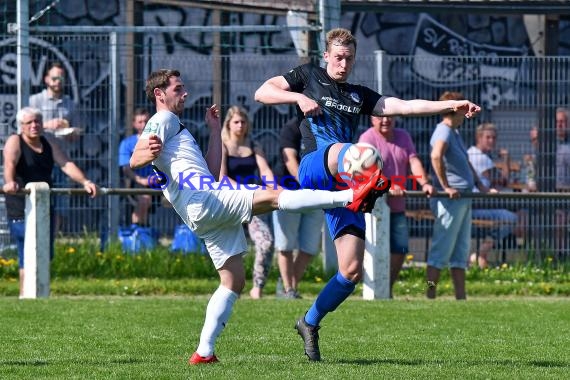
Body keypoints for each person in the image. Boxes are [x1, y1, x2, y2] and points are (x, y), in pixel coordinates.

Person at [129, 69, 385, 365]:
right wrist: (146, 153)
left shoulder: (177, 126)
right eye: (177, 88)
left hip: (201, 209)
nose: (184, 92)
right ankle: (351, 196)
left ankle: (204, 352)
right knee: (274, 197)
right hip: (205, 200)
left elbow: (212, 174)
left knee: (233, 280)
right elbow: (137, 158)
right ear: (159, 94)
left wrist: (214, 131)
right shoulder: (163, 119)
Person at [254, 28, 480, 361]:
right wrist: (298, 97)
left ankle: (309, 321)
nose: (343, 63)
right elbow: (263, 92)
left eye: (349, 58)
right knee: (360, 154)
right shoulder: (308, 76)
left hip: (342, 184)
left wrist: (451, 104)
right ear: (327, 56)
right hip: (316, 165)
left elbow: (404, 106)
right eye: (338, 57)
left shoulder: (359, 95)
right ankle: (369, 185)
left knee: (351, 270)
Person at [2, 107, 98, 297]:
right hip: (20, 206)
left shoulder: (49, 141)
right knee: (28, 251)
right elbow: (9, 164)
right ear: (21, 126)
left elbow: (66, 164)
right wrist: (9, 182)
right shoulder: (15, 141)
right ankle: (25, 293)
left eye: (37, 121)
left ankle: (38, 291)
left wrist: (85, 181)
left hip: (44, 203)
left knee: (45, 252)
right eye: (29, 122)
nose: (34, 125)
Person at [358, 115, 434, 297]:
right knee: (372, 249)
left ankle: (387, 288)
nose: (385, 120)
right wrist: (389, 185)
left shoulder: (403, 136)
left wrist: (424, 183)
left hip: (397, 206)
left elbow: (414, 161)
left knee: (400, 249)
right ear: (371, 119)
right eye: (380, 117)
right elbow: (364, 169)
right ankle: (369, 287)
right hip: (372, 207)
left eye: (389, 116)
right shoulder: (366, 139)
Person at [427, 91, 488, 300]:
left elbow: (465, 161)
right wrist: (446, 186)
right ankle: (429, 294)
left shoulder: (454, 132)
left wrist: (479, 184)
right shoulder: (443, 131)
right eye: (463, 108)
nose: (466, 113)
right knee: (439, 253)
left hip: (463, 198)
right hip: (450, 200)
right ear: (454, 110)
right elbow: (436, 156)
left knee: (460, 253)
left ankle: (461, 298)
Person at [219, 105, 275, 300]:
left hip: (252, 202)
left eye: (243, 121)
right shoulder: (223, 146)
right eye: (236, 122)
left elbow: (265, 171)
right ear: (228, 124)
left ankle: (257, 287)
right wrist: (247, 190)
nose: (240, 125)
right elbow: (222, 178)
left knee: (266, 242)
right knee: (231, 249)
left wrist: (273, 187)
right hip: (230, 202)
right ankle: (231, 286)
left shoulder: (253, 145)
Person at [273, 117, 324, 299]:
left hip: (317, 194)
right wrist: (305, 183)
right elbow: (290, 160)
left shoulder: (325, 127)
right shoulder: (292, 128)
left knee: (309, 248)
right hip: (290, 192)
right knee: (286, 245)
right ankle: (289, 289)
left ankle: (290, 285)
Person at [29, 61, 81, 234]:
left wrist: (72, 132)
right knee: (38, 198)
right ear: (46, 79)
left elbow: (78, 132)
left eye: (61, 77)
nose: (58, 81)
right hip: (39, 159)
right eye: (54, 77)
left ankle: (54, 239)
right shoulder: (35, 101)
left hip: (63, 162)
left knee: (61, 202)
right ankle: (38, 235)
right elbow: (25, 129)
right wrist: (47, 125)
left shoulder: (70, 104)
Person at [467, 123, 523, 268]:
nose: (492, 141)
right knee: (512, 218)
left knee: (508, 215)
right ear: (479, 138)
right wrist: (506, 158)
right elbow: (502, 181)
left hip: (476, 204)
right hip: (478, 206)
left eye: (494, 138)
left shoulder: (470, 152)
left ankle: (481, 255)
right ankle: (481, 254)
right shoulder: (480, 157)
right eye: (488, 137)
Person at [118, 108, 154, 227]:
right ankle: (139, 232)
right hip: (138, 182)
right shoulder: (127, 144)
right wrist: (141, 180)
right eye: (140, 122)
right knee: (144, 199)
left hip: (160, 181)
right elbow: (126, 169)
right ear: (134, 124)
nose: (143, 125)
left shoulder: (158, 141)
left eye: (146, 121)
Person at [554, 107, 570, 257]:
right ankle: (558, 254)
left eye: (563, 122)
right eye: (557, 122)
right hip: (550, 195)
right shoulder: (546, 144)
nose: (559, 125)